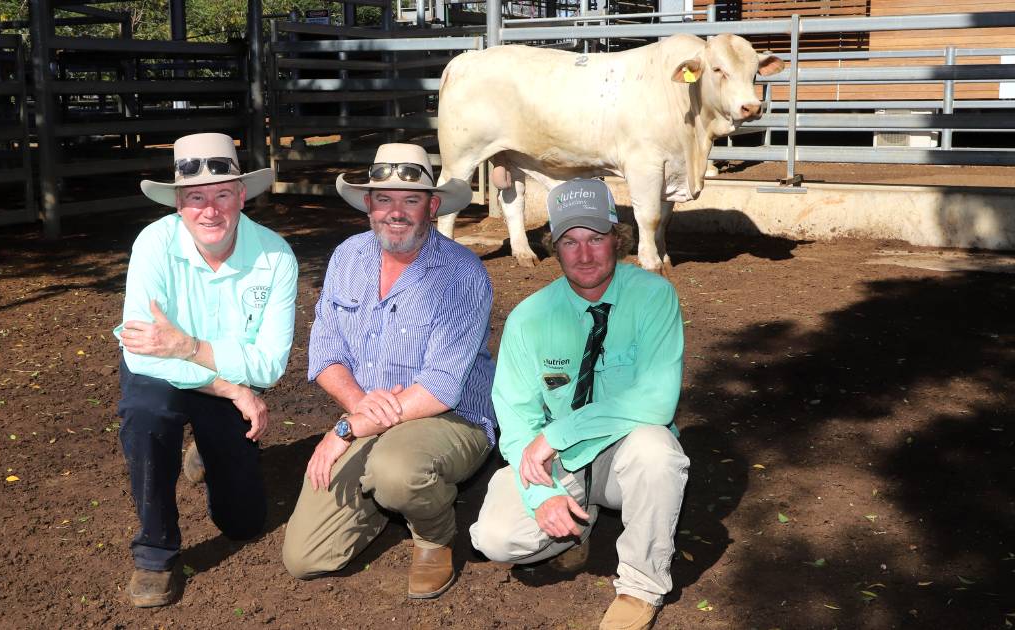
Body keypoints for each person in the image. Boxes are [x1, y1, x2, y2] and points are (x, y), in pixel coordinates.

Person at [469, 178, 689, 630]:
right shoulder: (529, 317)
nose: (584, 254)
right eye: (570, 241)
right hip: (561, 462)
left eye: (595, 238)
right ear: (554, 246)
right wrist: (542, 493)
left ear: (618, 239)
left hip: (621, 455)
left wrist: (557, 434)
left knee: (658, 452)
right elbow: (515, 417)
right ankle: (575, 527)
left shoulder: (654, 296)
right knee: (496, 538)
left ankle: (641, 586)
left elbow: (657, 400)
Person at [281, 144, 495, 599]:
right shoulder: (346, 257)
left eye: (411, 199)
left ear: (432, 207)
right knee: (305, 558)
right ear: (368, 204)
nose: (395, 212)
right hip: (371, 414)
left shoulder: (462, 273)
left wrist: (346, 429)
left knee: (397, 468)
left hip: (447, 416)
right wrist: (361, 408)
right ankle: (387, 495)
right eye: (384, 198)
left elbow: (439, 388)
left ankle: (433, 537)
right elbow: (325, 350)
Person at [112, 133, 298, 607]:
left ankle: (205, 452)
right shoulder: (153, 245)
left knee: (244, 523)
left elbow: (271, 364)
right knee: (148, 415)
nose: (209, 209)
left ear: (242, 195)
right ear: (178, 203)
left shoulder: (276, 256)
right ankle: (155, 552)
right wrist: (230, 387)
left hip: (214, 374)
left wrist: (187, 346)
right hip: (185, 380)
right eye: (196, 197)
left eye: (221, 194)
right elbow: (141, 354)